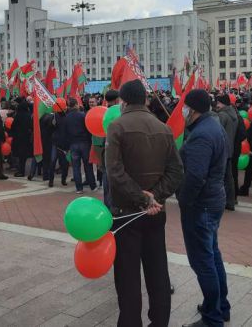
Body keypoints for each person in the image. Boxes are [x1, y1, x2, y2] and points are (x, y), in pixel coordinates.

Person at [105, 79, 183, 327]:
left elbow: (114, 173)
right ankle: (160, 322)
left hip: (126, 213)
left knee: (127, 278)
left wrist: (144, 198)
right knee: (158, 271)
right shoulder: (164, 128)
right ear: (146, 100)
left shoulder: (117, 127)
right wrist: (155, 197)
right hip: (154, 213)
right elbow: (176, 171)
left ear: (123, 102)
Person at [177, 89, 230, 327]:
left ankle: (212, 317)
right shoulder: (214, 126)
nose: (183, 111)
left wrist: (184, 199)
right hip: (213, 199)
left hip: (201, 205)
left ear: (193, 109)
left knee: (203, 261)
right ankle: (220, 306)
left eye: (185, 107)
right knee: (212, 255)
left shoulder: (201, 135)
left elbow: (195, 176)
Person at [64, 98, 96, 194]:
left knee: (76, 167)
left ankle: (79, 188)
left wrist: (67, 146)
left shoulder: (67, 117)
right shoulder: (83, 115)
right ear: (77, 105)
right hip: (85, 143)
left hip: (73, 144)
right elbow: (88, 129)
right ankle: (92, 185)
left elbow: (65, 133)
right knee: (88, 165)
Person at [214, 94, 238, 211]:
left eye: (218, 103)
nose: (216, 105)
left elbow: (215, 132)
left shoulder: (222, 115)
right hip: (229, 149)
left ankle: (227, 201)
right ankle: (231, 200)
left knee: (222, 178)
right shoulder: (233, 114)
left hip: (222, 150)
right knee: (229, 177)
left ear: (222, 103)